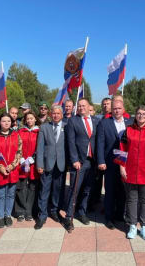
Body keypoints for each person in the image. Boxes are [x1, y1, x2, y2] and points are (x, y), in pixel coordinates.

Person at [118, 106, 145, 240]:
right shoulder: (128, 130)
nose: (141, 116)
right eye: (138, 113)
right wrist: (121, 167)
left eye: (144, 114)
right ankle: (132, 225)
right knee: (131, 200)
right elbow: (122, 149)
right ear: (135, 115)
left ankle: (144, 226)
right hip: (130, 171)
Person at [96, 100, 132, 229]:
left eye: (119, 108)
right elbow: (100, 143)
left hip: (126, 163)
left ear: (123, 109)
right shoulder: (104, 123)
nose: (117, 110)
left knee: (122, 190)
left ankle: (119, 215)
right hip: (110, 161)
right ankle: (109, 217)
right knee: (110, 191)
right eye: (114, 108)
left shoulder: (130, 123)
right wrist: (100, 161)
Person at [64, 98, 99, 231]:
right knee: (74, 189)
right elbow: (70, 142)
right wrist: (74, 160)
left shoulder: (96, 120)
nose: (81, 108)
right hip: (79, 162)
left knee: (87, 189)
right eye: (79, 106)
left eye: (83, 105)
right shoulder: (73, 121)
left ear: (89, 106)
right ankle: (69, 216)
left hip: (92, 161)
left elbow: (98, 140)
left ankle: (82, 212)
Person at [0, 113, 22, 228]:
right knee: (0, 194)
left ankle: (8, 215)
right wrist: (0, 167)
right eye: (3, 121)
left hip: (12, 170)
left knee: (11, 194)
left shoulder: (16, 135)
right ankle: (0, 217)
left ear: (11, 122)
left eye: (8, 121)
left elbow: (19, 152)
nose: (6, 123)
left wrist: (12, 166)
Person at [35, 105, 67, 229]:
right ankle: (42, 216)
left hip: (61, 165)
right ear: (50, 114)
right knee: (44, 191)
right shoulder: (44, 127)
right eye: (53, 113)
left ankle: (54, 211)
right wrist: (40, 164)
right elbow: (40, 148)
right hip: (47, 165)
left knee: (57, 190)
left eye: (58, 113)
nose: (56, 115)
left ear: (62, 115)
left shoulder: (67, 126)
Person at [14, 112, 40, 222]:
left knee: (32, 188)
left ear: (35, 120)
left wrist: (34, 157)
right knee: (20, 187)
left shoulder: (39, 132)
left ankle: (29, 211)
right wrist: (20, 158)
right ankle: (20, 211)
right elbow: (15, 145)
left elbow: (42, 146)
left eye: (31, 118)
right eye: (27, 119)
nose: (29, 120)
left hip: (34, 164)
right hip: (22, 163)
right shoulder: (20, 132)